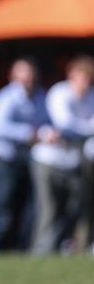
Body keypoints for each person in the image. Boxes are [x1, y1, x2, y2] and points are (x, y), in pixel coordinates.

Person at [30, 56, 94, 254]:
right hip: (48, 161)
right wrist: (86, 128)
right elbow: (65, 124)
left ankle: (63, 248)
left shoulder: (90, 96)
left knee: (73, 210)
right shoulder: (59, 93)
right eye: (81, 78)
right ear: (71, 75)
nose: (85, 83)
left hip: (71, 162)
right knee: (49, 210)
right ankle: (41, 252)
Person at [0, 58, 49, 251]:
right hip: (4, 161)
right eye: (22, 73)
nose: (27, 78)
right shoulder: (6, 97)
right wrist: (30, 133)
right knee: (4, 210)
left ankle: (19, 250)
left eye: (29, 73)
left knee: (27, 210)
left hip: (26, 160)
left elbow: (46, 120)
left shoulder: (39, 96)